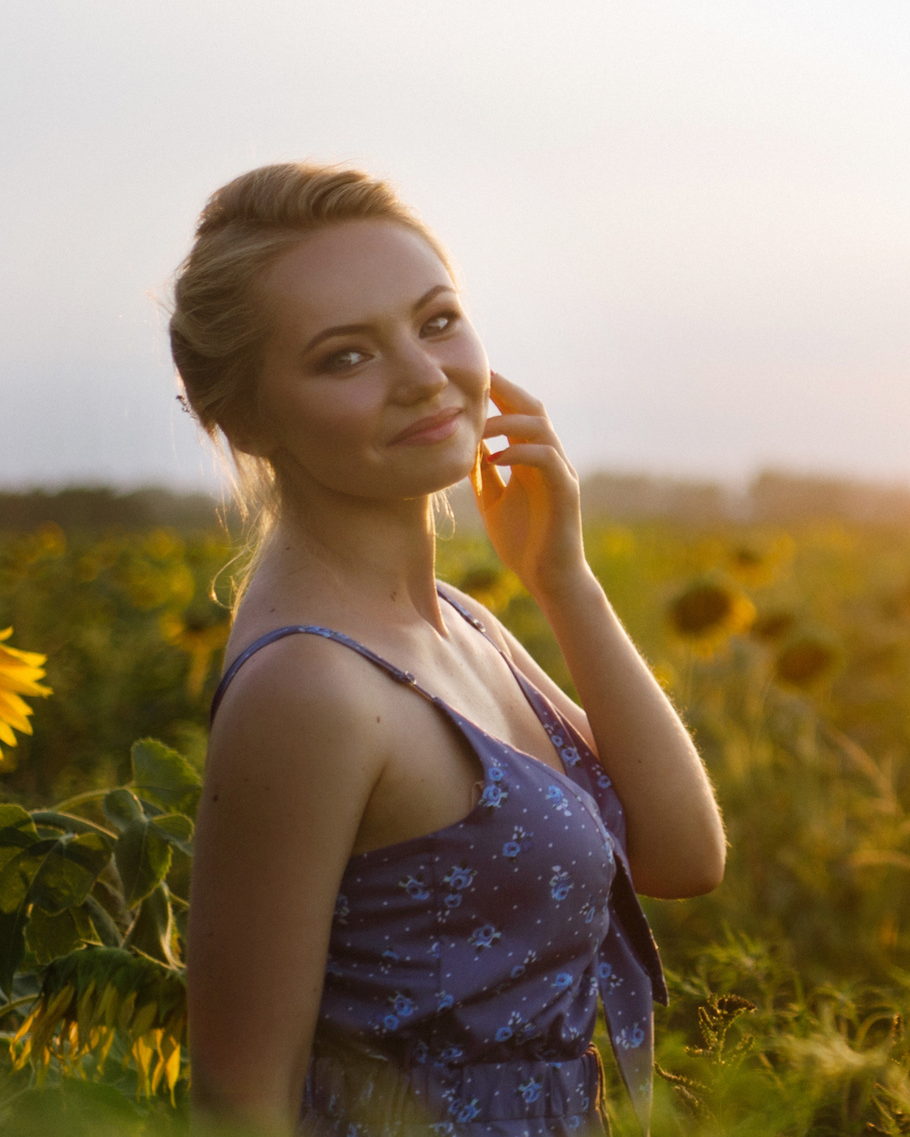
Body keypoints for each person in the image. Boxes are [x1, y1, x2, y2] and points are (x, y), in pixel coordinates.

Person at [174, 163, 725, 1133]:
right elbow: (237, 1102)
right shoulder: (309, 684)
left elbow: (683, 852)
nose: (425, 375)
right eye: (346, 356)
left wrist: (564, 579)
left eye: (436, 321)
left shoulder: (460, 623)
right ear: (248, 416)